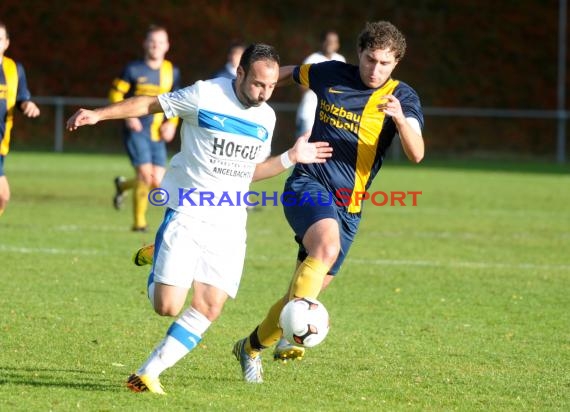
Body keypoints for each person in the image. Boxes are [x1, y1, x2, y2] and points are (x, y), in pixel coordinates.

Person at [66, 43, 332, 394]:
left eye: (270, 87)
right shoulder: (204, 94)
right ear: (239, 73)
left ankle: (148, 373)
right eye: (257, 84)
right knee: (167, 306)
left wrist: (290, 157)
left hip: (231, 220)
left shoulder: (266, 117)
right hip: (188, 209)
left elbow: (248, 172)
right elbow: (150, 104)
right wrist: (99, 114)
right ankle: (160, 249)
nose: (264, 93)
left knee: (210, 305)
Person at [233, 21, 425, 383]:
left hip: (349, 208)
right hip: (308, 182)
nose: (375, 69)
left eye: (384, 63)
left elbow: (417, 153)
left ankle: (250, 347)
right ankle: (296, 337)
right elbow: (290, 73)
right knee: (326, 248)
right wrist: (262, 83)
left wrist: (400, 120)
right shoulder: (330, 74)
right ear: (359, 54)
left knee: (300, 291)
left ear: (396, 63)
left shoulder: (405, 98)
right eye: (370, 59)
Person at [109, 25, 181, 232]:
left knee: (157, 180)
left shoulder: (171, 71)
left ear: (167, 46)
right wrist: (128, 115)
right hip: (136, 130)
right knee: (144, 175)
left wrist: (171, 123)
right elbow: (115, 94)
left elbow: (178, 101)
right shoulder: (132, 69)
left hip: (157, 133)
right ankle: (139, 224)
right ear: (145, 44)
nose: (155, 45)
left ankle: (122, 186)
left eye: (160, 42)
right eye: (152, 41)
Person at [0, 21, 40, 217]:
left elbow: (22, 97)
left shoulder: (14, 69)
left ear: (6, 43)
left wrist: (28, 105)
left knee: (2, 197)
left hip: (2, 141)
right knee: (3, 193)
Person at [295, 30, 345, 136]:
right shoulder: (312, 59)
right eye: (328, 41)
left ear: (337, 44)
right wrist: (320, 80)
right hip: (311, 111)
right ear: (322, 42)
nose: (330, 44)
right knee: (307, 144)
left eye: (333, 41)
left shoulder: (340, 60)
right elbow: (301, 86)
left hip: (332, 112)